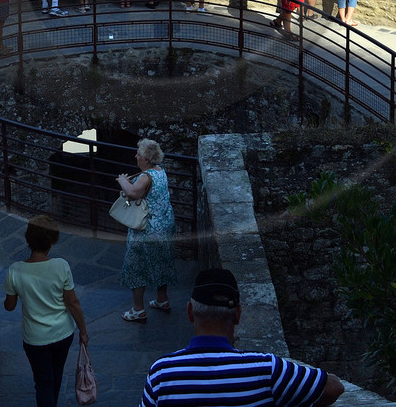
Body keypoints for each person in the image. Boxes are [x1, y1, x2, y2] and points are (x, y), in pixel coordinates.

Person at [140, 268, 344, 407]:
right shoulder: (266, 369)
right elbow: (334, 387)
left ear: (190, 312)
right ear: (238, 314)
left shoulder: (161, 373)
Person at [3, 215, 89, 407]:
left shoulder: (15, 271)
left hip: (35, 338)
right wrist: (83, 331)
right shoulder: (61, 266)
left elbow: (9, 307)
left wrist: (17, 291)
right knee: (56, 375)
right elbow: (73, 302)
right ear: (52, 241)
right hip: (62, 333)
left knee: (43, 381)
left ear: (28, 239)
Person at [116, 137, 174, 322]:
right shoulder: (160, 172)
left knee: (136, 267)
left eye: (138, 154)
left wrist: (123, 180)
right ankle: (162, 299)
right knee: (161, 262)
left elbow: (133, 193)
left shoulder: (145, 177)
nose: (136, 156)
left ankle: (138, 310)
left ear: (146, 159)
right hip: (163, 226)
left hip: (147, 229)